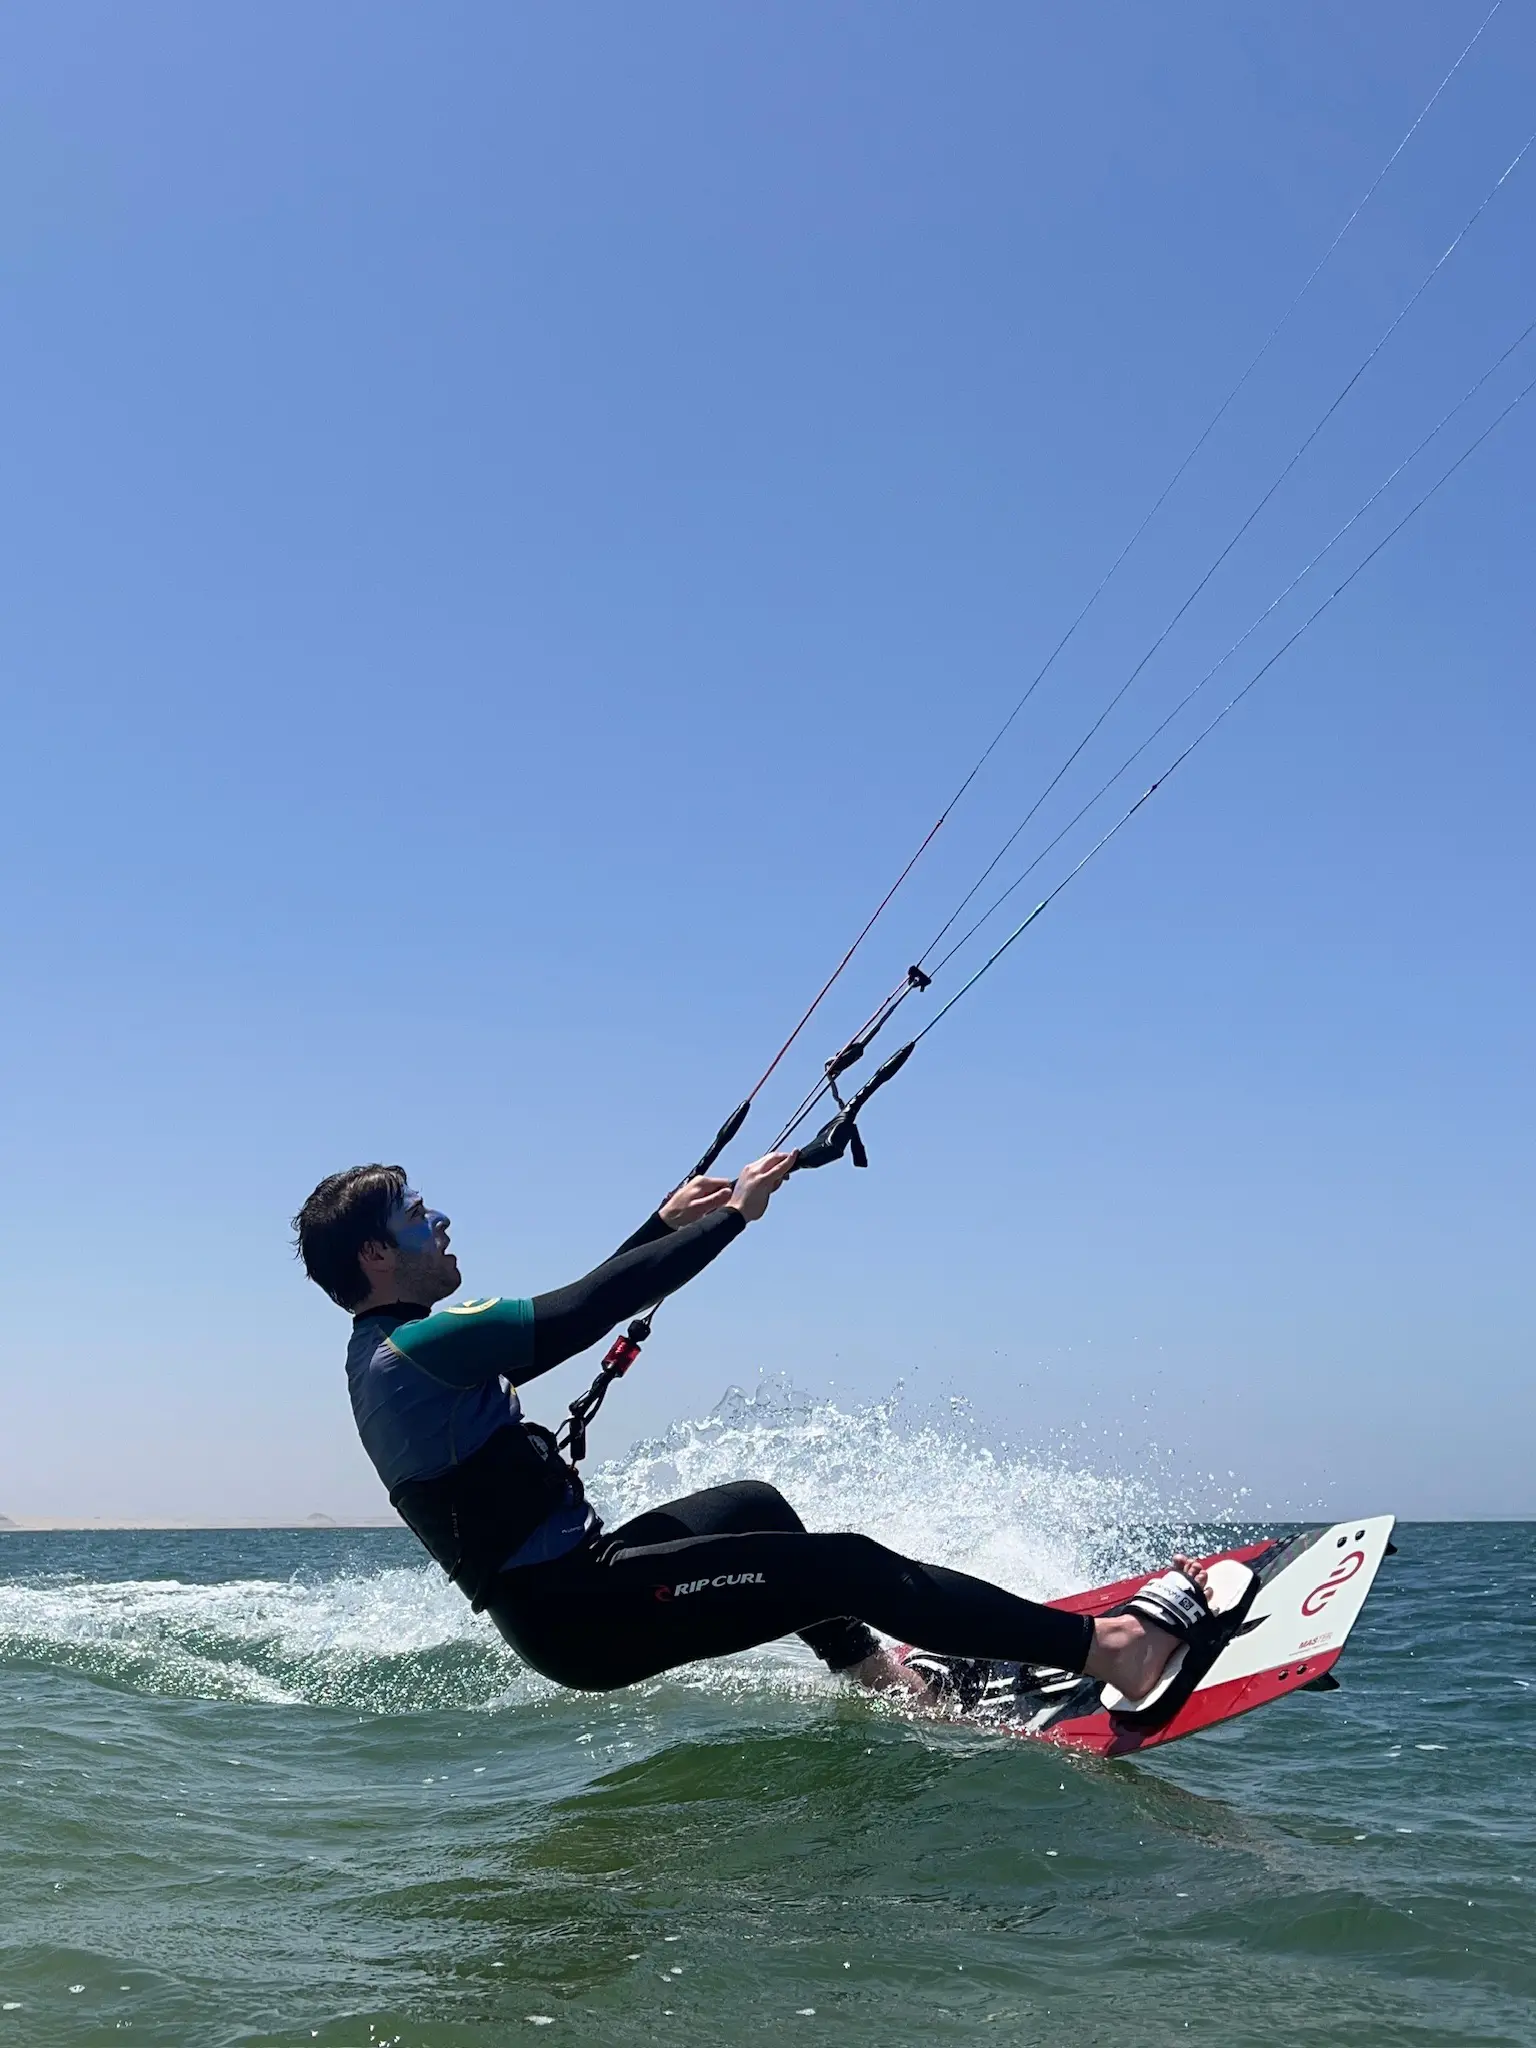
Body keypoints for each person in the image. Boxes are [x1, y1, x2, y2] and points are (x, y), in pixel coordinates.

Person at [293, 1155, 1213, 1706]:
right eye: (417, 1217)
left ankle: (882, 1681)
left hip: (565, 1605)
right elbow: (588, 1307)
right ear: (377, 1254)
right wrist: (733, 1218)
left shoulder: (385, 1355)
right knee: (850, 1564)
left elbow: (581, 1310)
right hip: (583, 1613)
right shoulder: (430, 1341)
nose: (441, 1223)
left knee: (756, 1505)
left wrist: (663, 1223)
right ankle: (1114, 1654)